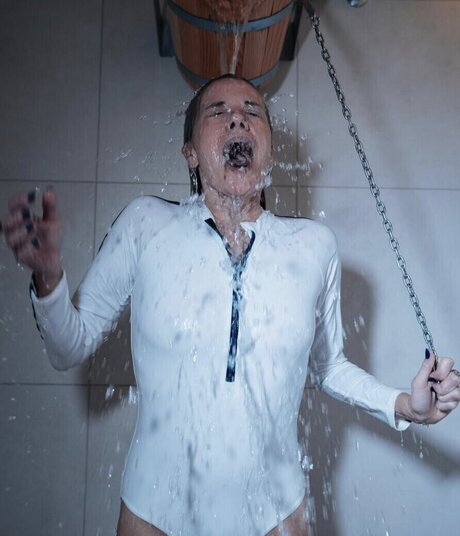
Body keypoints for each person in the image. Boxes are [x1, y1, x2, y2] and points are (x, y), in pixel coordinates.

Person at [2, 74, 460, 536]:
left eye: (252, 111)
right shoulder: (145, 224)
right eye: (218, 112)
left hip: (276, 517)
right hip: (153, 515)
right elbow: (68, 348)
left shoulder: (314, 245)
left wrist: (407, 406)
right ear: (190, 153)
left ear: (270, 153)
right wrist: (48, 277)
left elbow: (329, 367)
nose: (238, 118)